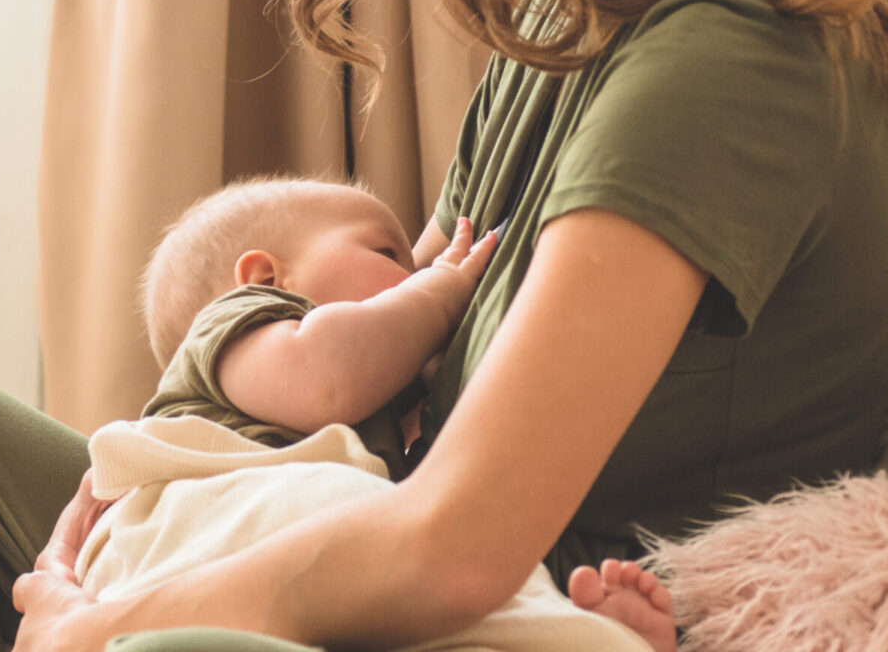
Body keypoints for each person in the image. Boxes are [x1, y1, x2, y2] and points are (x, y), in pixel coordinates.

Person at [0, 0, 888, 649]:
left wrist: (113, 615)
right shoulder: (554, 29)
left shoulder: (732, 58)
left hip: (495, 610)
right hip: (356, 525)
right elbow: (393, 380)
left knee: (187, 648)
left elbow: (459, 548)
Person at [71, 175, 668, 651]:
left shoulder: (368, 428)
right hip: (192, 547)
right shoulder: (233, 330)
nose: (416, 273)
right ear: (265, 277)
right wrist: (435, 299)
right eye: (388, 253)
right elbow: (325, 376)